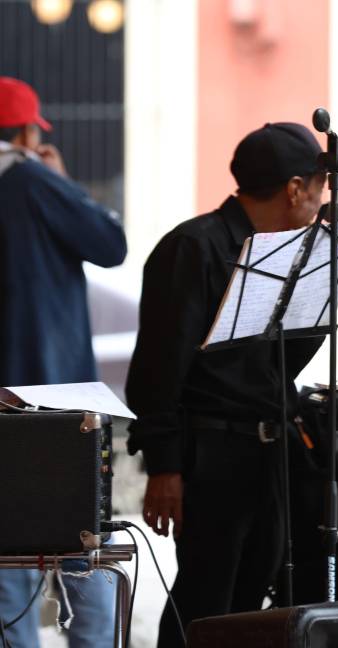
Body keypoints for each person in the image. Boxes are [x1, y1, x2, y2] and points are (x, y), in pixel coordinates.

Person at [125, 122, 326, 647]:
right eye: (320, 186)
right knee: (205, 602)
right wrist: (164, 466)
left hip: (268, 451)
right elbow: (157, 369)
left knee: (254, 599)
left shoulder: (287, 254)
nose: (323, 200)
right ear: (295, 189)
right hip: (211, 452)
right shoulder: (192, 247)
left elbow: (278, 365)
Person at [0, 76, 127, 648]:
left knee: (7, 556)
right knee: (84, 551)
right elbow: (109, 243)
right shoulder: (31, 180)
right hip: (56, 396)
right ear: (27, 132)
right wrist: (61, 181)